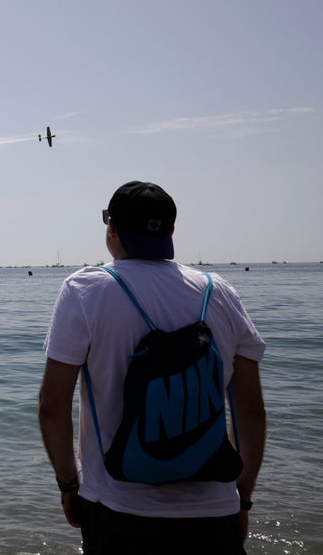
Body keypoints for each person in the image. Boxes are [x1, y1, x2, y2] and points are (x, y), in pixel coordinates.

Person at [38, 180, 267, 554]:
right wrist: (242, 498)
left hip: (117, 510)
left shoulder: (86, 290)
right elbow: (250, 412)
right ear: (172, 230)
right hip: (214, 515)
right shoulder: (219, 291)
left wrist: (68, 484)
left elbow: (52, 406)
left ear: (112, 228)